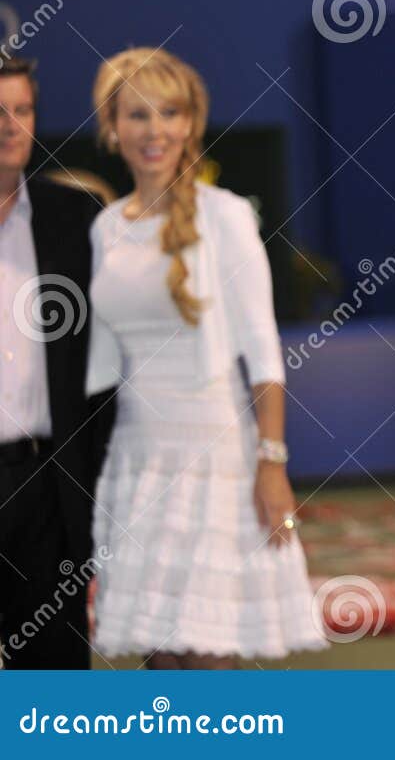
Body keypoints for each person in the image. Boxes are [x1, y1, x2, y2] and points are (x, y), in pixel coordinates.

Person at [85, 48, 326, 667]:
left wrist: (271, 463)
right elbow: (99, 367)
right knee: (161, 659)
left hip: (218, 462)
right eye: (137, 114)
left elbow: (263, 351)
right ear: (112, 128)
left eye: (170, 112)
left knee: (207, 656)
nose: (155, 129)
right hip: (136, 465)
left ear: (191, 123)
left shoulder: (228, 217)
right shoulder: (106, 226)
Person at [0, 58, 112, 668]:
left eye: (23, 110)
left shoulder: (74, 221)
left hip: (49, 490)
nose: (10, 126)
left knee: (52, 688)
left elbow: (108, 371)